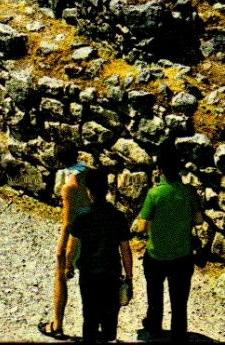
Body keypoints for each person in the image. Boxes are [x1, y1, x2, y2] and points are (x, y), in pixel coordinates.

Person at [134, 143, 199, 342]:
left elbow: (141, 228)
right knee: (179, 300)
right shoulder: (189, 192)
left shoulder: (154, 194)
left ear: (159, 168)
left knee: (155, 295)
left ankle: (154, 327)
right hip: (182, 256)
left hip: (156, 256)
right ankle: (179, 334)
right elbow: (199, 220)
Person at [69, 164, 133, 343]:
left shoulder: (82, 215)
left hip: (89, 276)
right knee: (110, 320)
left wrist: (68, 267)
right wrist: (129, 278)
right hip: (111, 275)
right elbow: (126, 250)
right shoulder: (118, 216)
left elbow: (72, 246)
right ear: (107, 189)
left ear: (89, 191)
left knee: (89, 316)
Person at [40, 144, 93, 338]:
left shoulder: (68, 184)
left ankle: (57, 325)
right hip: (95, 231)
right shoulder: (90, 172)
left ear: (59, 160)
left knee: (60, 276)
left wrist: (61, 251)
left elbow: (67, 222)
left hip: (77, 234)